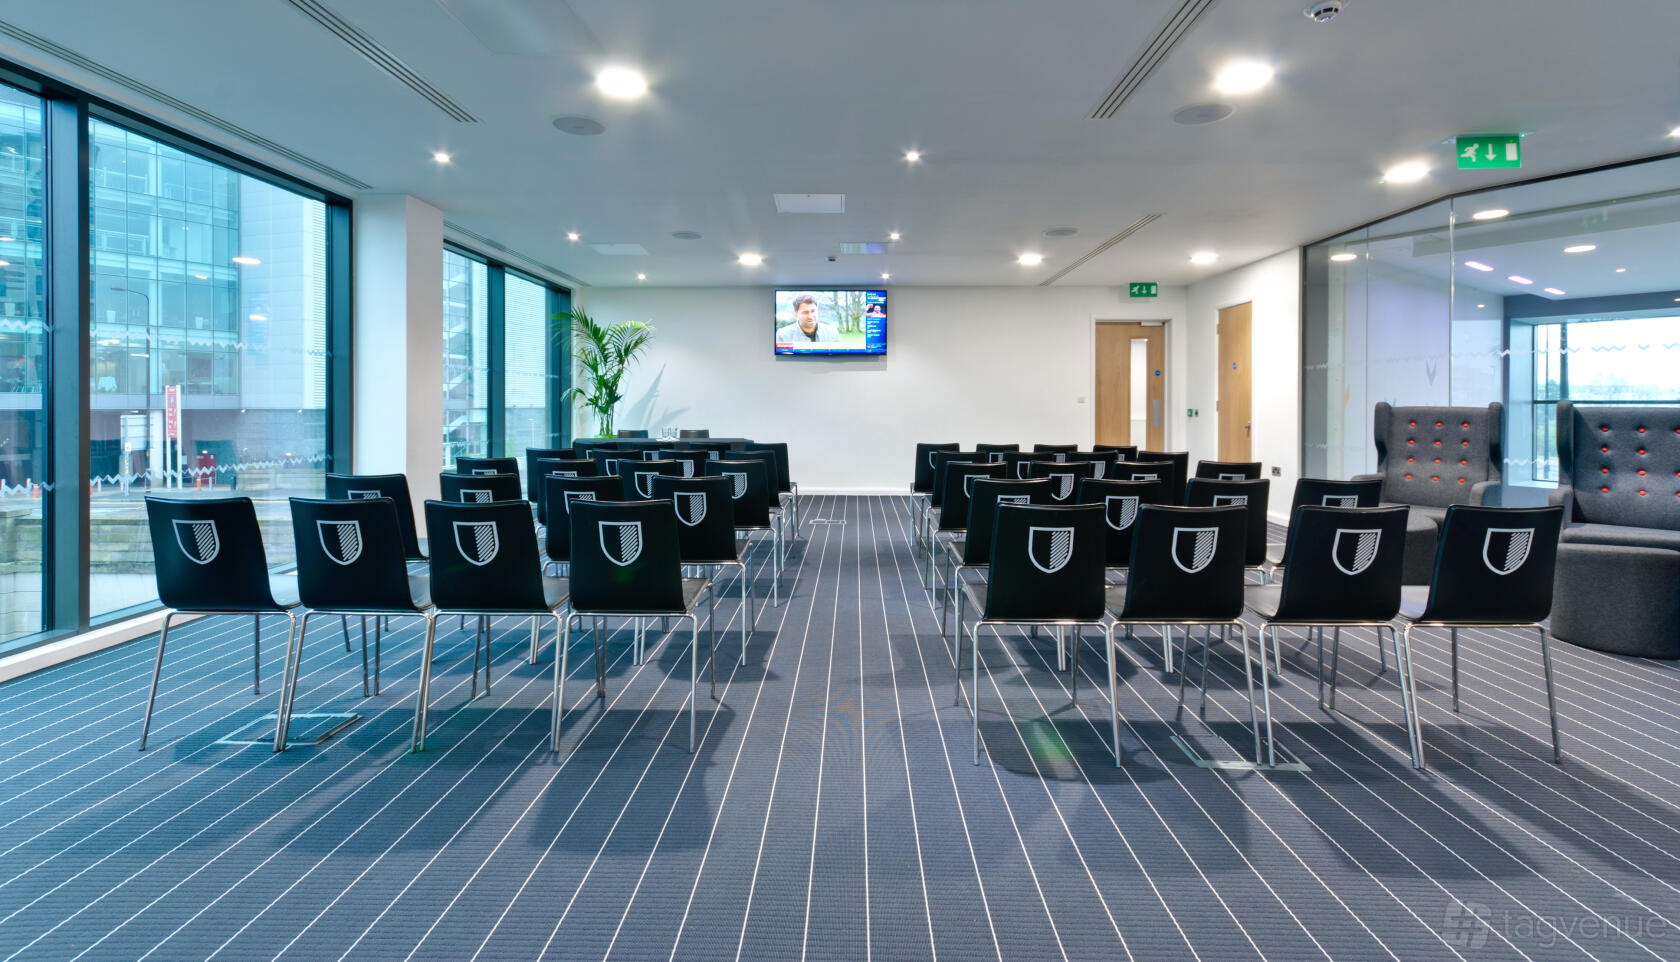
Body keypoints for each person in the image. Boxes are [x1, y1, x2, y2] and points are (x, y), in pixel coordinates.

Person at [776, 294, 841, 343]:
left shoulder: (832, 333)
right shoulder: (783, 335)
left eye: (813, 311)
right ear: (796, 315)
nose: (810, 316)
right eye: (805, 312)